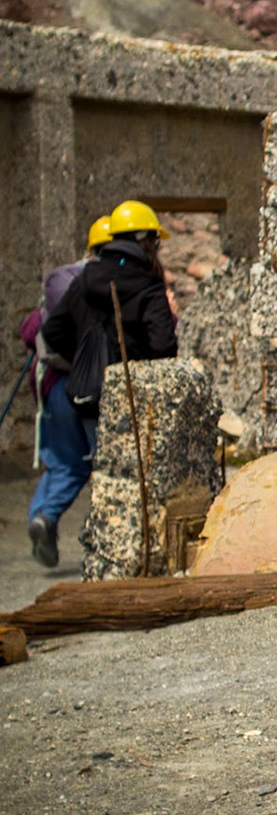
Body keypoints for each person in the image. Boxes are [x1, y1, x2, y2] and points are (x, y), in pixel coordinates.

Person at [34, 202, 178, 566]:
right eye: (155, 242)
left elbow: (52, 330)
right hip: (129, 394)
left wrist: (85, 357)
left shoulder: (85, 278)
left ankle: (90, 543)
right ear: (145, 239)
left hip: (86, 392)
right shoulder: (146, 283)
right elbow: (164, 344)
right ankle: (114, 553)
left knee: (94, 470)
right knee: (123, 477)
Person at [20, 216, 112, 567]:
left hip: (51, 386)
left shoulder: (62, 279)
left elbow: (31, 332)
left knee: (59, 462)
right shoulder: (109, 282)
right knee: (94, 465)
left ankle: (41, 518)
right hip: (87, 388)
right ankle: (63, 525)